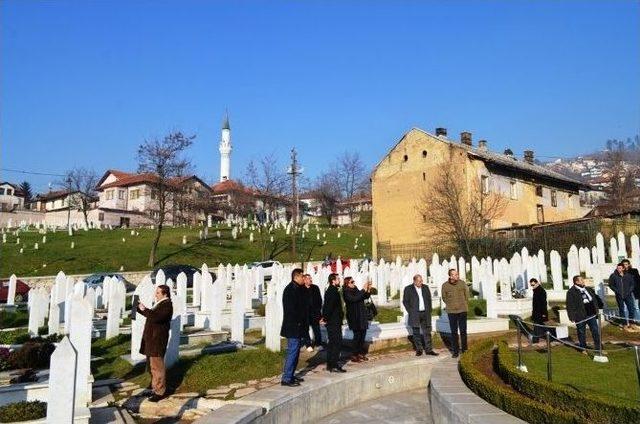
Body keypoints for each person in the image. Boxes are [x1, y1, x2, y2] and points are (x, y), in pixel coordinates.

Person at [137, 284, 173, 402]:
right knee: (152, 366)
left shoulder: (167, 305)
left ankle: (160, 391)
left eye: (158, 293)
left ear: (165, 294)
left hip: (157, 340)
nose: (155, 295)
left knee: (157, 367)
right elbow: (152, 316)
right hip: (152, 340)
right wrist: (138, 308)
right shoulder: (160, 304)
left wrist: (145, 309)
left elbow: (157, 317)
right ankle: (154, 388)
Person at [280, 268, 308, 387]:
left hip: (298, 326)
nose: (304, 278)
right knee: (292, 351)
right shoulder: (290, 290)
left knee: (296, 352)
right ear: (296, 277)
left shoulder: (299, 289)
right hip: (293, 326)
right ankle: (286, 378)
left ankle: (291, 375)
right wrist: (298, 322)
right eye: (302, 276)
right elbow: (291, 309)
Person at [403, 274, 438, 356]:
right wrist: (411, 311)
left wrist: (429, 310)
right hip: (415, 313)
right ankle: (419, 349)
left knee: (427, 332)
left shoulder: (425, 287)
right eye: (419, 281)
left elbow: (429, 299)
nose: (421, 282)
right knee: (416, 332)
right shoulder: (408, 289)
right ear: (414, 281)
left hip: (425, 313)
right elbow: (405, 301)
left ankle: (429, 349)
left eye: (421, 281)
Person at [566, 275, 603, 353]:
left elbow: (595, 298)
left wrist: (599, 306)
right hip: (580, 316)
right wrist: (572, 317)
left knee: (595, 331)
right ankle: (583, 348)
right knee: (581, 332)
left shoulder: (588, 289)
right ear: (576, 282)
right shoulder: (571, 292)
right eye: (581, 280)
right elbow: (569, 305)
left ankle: (599, 348)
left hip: (591, 314)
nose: (583, 281)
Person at [441, 269, 469, 358]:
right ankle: (455, 351)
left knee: (463, 331)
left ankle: (464, 350)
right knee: (454, 332)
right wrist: (451, 304)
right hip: (452, 311)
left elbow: (467, 295)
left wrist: (463, 304)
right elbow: (444, 297)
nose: (456, 276)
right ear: (450, 276)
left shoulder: (462, 283)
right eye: (454, 274)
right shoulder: (445, 285)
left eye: (457, 274)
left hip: (462, 310)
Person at [321, 273, 346, 372]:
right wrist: (325, 318)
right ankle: (334, 365)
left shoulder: (332, 290)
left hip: (333, 321)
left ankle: (330, 364)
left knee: (332, 343)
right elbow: (329, 307)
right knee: (336, 343)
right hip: (333, 322)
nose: (339, 280)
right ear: (333, 281)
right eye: (338, 279)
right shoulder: (332, 291)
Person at [343, 276, 372, 363]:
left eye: (353, 281)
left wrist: (368, 290)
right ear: (347, 283)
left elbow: (363, 297)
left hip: (361, 315)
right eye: (352, 282)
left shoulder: (355, 289)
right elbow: (354, 299)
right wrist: (363, 289)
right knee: (357, 336)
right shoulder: (346, 292)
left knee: (362, 335)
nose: (354, 283)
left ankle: (359, 353)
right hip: (354, 316)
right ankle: (354, 354)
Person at [608, 263, 637, 329]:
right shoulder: (613, 276)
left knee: (631, 309)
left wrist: (629, 291)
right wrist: (617, 291)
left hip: (628, 295)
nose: (618, 269)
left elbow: (632, 284)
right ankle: (624, 324)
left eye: (620, 268)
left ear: (623, 268)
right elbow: (611, 285)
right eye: (617, 268)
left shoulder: (629, 275)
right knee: (621, 309)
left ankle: (632, 323)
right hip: (619, 295)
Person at [304, 273, 323, 351]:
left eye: (311, 278)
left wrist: (318, 310)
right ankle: (308, 344)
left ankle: (318, 343)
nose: (311, 280)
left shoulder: (315, 288)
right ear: (304, 280)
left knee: (317, 329)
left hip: (314, 312)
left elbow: (319, 300)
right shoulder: (301, 289)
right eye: (309, 278)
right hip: (305, 313)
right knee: (305, 329)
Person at [530, 278, 548, 343]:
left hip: (539, 312)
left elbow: (543, 303)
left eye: (533, 285)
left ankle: (535, 340)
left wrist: (543, 313)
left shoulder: (541, 291)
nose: (532, 286)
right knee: (538, 325)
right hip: (536, 312)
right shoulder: (536, 290)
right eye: (531, 285)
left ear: (537, 283)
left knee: (537, 326)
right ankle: (549, 336)